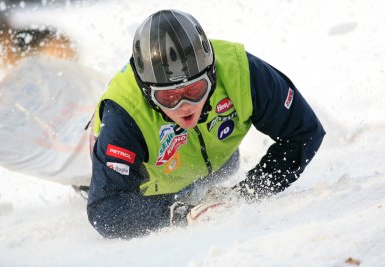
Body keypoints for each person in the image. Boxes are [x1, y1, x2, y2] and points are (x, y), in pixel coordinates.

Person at [86, 9, 325, 239]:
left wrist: (247, 193)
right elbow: (105, 209)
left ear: (211, 75)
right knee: (101, 186)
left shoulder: (241, 71)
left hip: (219, 163)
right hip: (151, 188)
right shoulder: (124, 114)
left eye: (195, 90)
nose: (184, 106)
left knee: (226, 169)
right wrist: (178, 213)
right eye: (168, 97)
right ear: (148, 93)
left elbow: (304, 132)